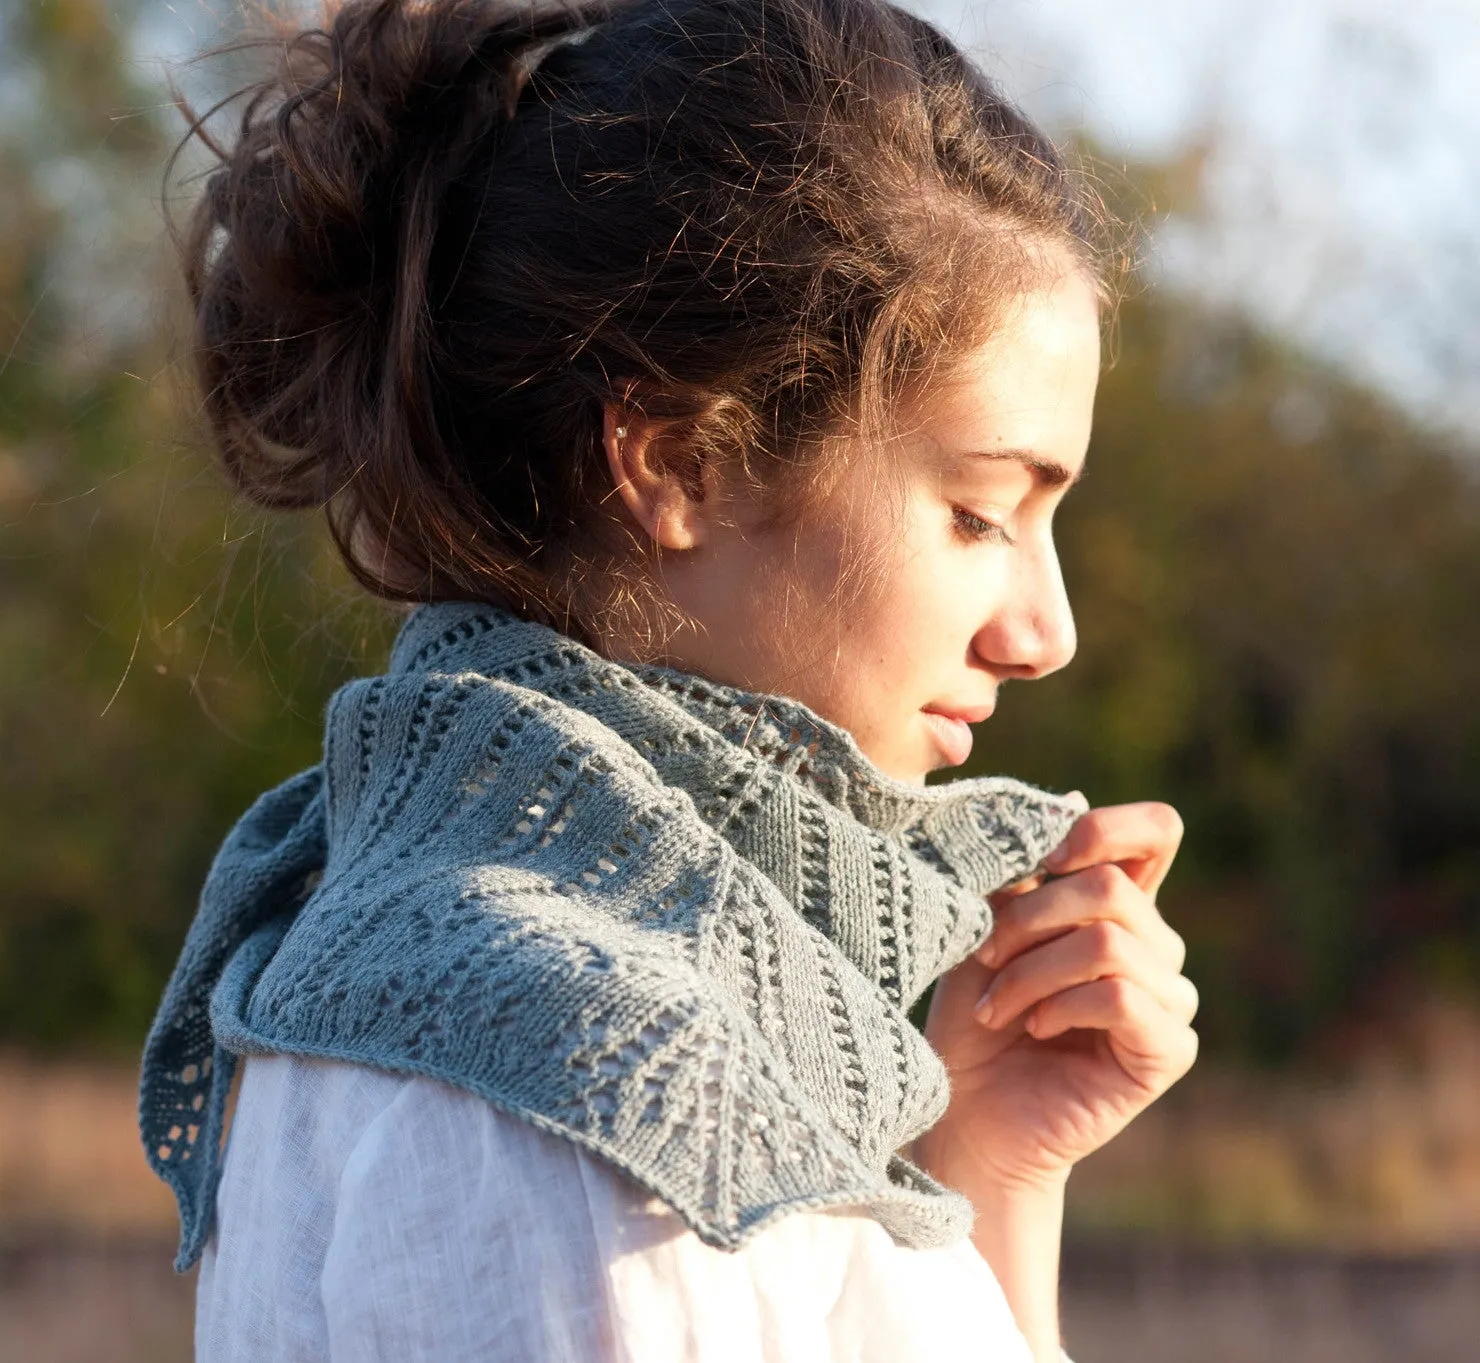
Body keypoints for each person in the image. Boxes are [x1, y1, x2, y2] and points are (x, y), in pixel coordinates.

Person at [139, 0, 1200, 1358]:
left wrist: (992, 1169)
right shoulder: (562, 1063)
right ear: (680, 461)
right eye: (982, 512)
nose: (1044, 630)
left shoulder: (682, 1025)